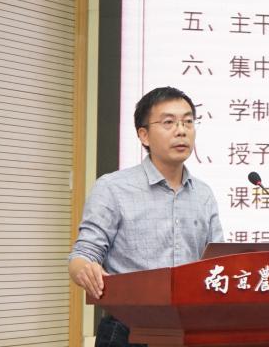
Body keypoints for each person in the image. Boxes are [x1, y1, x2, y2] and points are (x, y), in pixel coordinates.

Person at [69, 86, 223, 347]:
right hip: (128, 330)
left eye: (188, 121)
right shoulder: (113, 188)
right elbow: (82, 255)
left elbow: (218, 262)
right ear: (144, 135)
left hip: (190, 329)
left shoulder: (203, 194)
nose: (181, 130)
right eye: (169, 122)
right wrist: (86, 269)